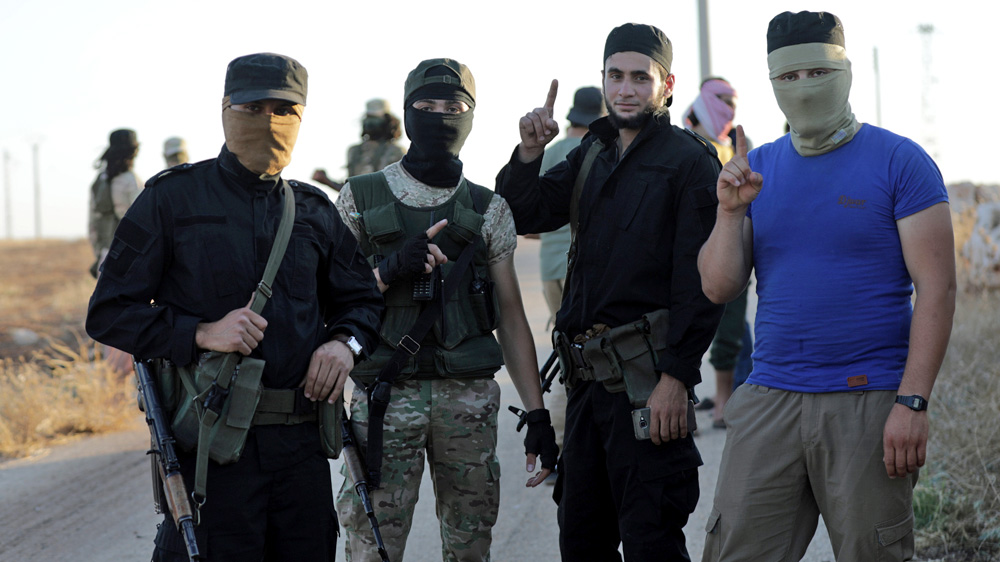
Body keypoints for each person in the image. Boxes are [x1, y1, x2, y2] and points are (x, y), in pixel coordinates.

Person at [86, 52, 384, 561]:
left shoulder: (313, 211)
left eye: (284, 109)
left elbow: (363, 303)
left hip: (301, 456)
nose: (269, 120)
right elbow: (109, 311)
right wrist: (200, 332)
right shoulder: (172, 199)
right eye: (253, 108)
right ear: (225, 109)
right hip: (213, 451)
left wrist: (344, 346)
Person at [698, 11, 955, 561]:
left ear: (845, 72)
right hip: (770, 398)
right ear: (772, 82)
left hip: (868, 402)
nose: (804, 87)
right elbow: (719, 287)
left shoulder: (900, 162)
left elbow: (938, 289)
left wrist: (912, 402)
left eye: (818, 72)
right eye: (788, 77)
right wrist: (728, 212)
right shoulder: (755, 169)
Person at [496, 23, 724, 561]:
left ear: (666, 85)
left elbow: (699, 288)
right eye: (615, 76)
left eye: (640, 78)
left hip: (647, 388)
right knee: (581, 539)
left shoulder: (690, 162)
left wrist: (676, 378)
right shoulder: (593, 153)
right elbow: (525, 213)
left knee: (651, 541)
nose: (626, 89)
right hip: (586, 389)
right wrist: (529, 152)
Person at [334, 58, 558, 562]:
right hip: (384, 399)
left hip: (468, 401)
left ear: (471, 116)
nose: (440, 116)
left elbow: (511, 318)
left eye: (453, 107)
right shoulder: (358, 198)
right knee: (371, 548)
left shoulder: (489, 208)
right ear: (407, 111)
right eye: (427, 105)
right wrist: (388, 270)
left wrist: (538, 413)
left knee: (470, 546)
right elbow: (331, 301)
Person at [537, 85, 606, 461]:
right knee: (583, 359)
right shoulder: (600, 149)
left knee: (565, 350)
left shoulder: (550, 152)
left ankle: (564, 443)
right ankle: (567, 445)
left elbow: (532, 219)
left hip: (550, 266)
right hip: (583, 267)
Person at [683, 77, 745, 429]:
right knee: (682, 331)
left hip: (729, 249)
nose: (729, 107)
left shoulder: (733, 145)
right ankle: (683, 406)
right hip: (688, 253)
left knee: (729, 333)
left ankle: (723, 406)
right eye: (721, 99)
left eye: (733, 101)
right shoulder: (684, 142)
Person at [312, 98, 405, 192]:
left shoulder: (395, 151)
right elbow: (352, 192)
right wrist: (326, 181)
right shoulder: (355, 151)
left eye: (375, 118)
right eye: (369, 117)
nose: (370, 122)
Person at [88, 128, 142, 278]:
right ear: (133, 152)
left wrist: (100, 253)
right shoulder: (132, 182)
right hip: (130, 259)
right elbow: (144, 224)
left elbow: (92, 226)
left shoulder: (99, 181)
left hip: (105, 256)